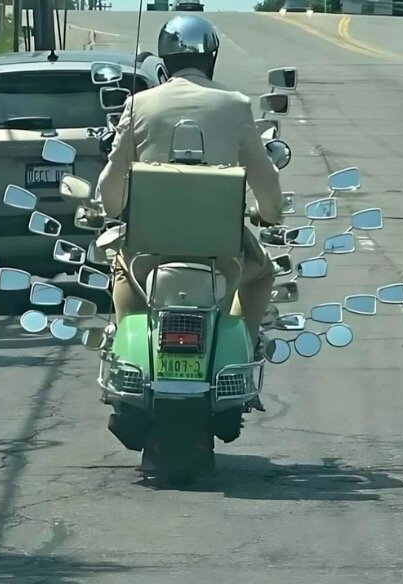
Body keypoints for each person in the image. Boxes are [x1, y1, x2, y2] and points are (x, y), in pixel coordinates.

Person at [95, 15, 284, 377]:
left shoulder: (139, 105)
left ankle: (127, 362)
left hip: (148, 252)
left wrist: (115, 209)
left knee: (122, 268)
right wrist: (270, 213)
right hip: (222, 255)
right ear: (211, 57)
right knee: (262, 274)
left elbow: (110, 187)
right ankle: (241, 359)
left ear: (165, 61)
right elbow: (266, 183)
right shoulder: (236, 104)